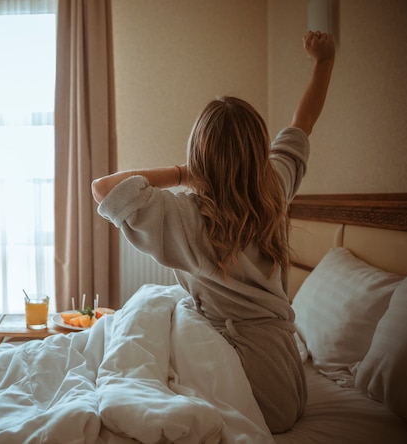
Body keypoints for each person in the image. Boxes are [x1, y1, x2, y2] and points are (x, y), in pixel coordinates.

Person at [91, 30, 335, 433]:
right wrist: (324, 62)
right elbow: (303, 123)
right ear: (258, 151)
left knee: (153, 305)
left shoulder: (188, 214)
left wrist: (183, 172)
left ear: (199, 153)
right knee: (162, 305)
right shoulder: (274, 188)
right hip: (284, 376)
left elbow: (103, 188)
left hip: (250, 383)